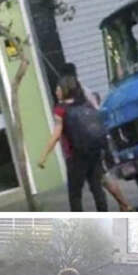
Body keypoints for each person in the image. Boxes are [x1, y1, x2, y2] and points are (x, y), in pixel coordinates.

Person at [38, 74, 108, 212]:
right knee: (97, 188)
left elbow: (57, 134)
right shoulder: (86, 104)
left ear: (64, 89)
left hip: (75, 156)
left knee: (75, 194)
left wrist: (44, 155)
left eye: (58, 88)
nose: (56, 91)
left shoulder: (60, 110)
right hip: (94, 152)